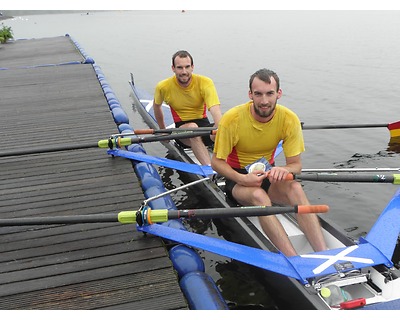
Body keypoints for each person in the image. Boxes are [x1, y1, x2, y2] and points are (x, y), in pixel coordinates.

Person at [211, 68, 327, 256]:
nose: (264, 101)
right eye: (258, 94)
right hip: (238, 179)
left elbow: (296, 165)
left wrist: (284, 169)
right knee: (259, 196)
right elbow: (216, 162)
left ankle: (324, 254)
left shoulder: (289, 119)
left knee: (296, 187)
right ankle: (293, 259)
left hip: (268, 174)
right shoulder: (232, 119)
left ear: (278, 94)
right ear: (250, 94)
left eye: (269, 94)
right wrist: (242, 178)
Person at [153, 50, 222, 165]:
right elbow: (156, 106)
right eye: (179, 68)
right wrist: (163, 131)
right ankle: (210, 170)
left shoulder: (205, 82)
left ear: (192, 67)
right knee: (192, 127)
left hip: (204, 127)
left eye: (187, 67)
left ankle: (231, 164)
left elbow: (215, 110)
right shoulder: (163, 87)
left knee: (226, 124)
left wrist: (222, 129)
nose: (184, 71)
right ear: (173, 68)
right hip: (182, 132)